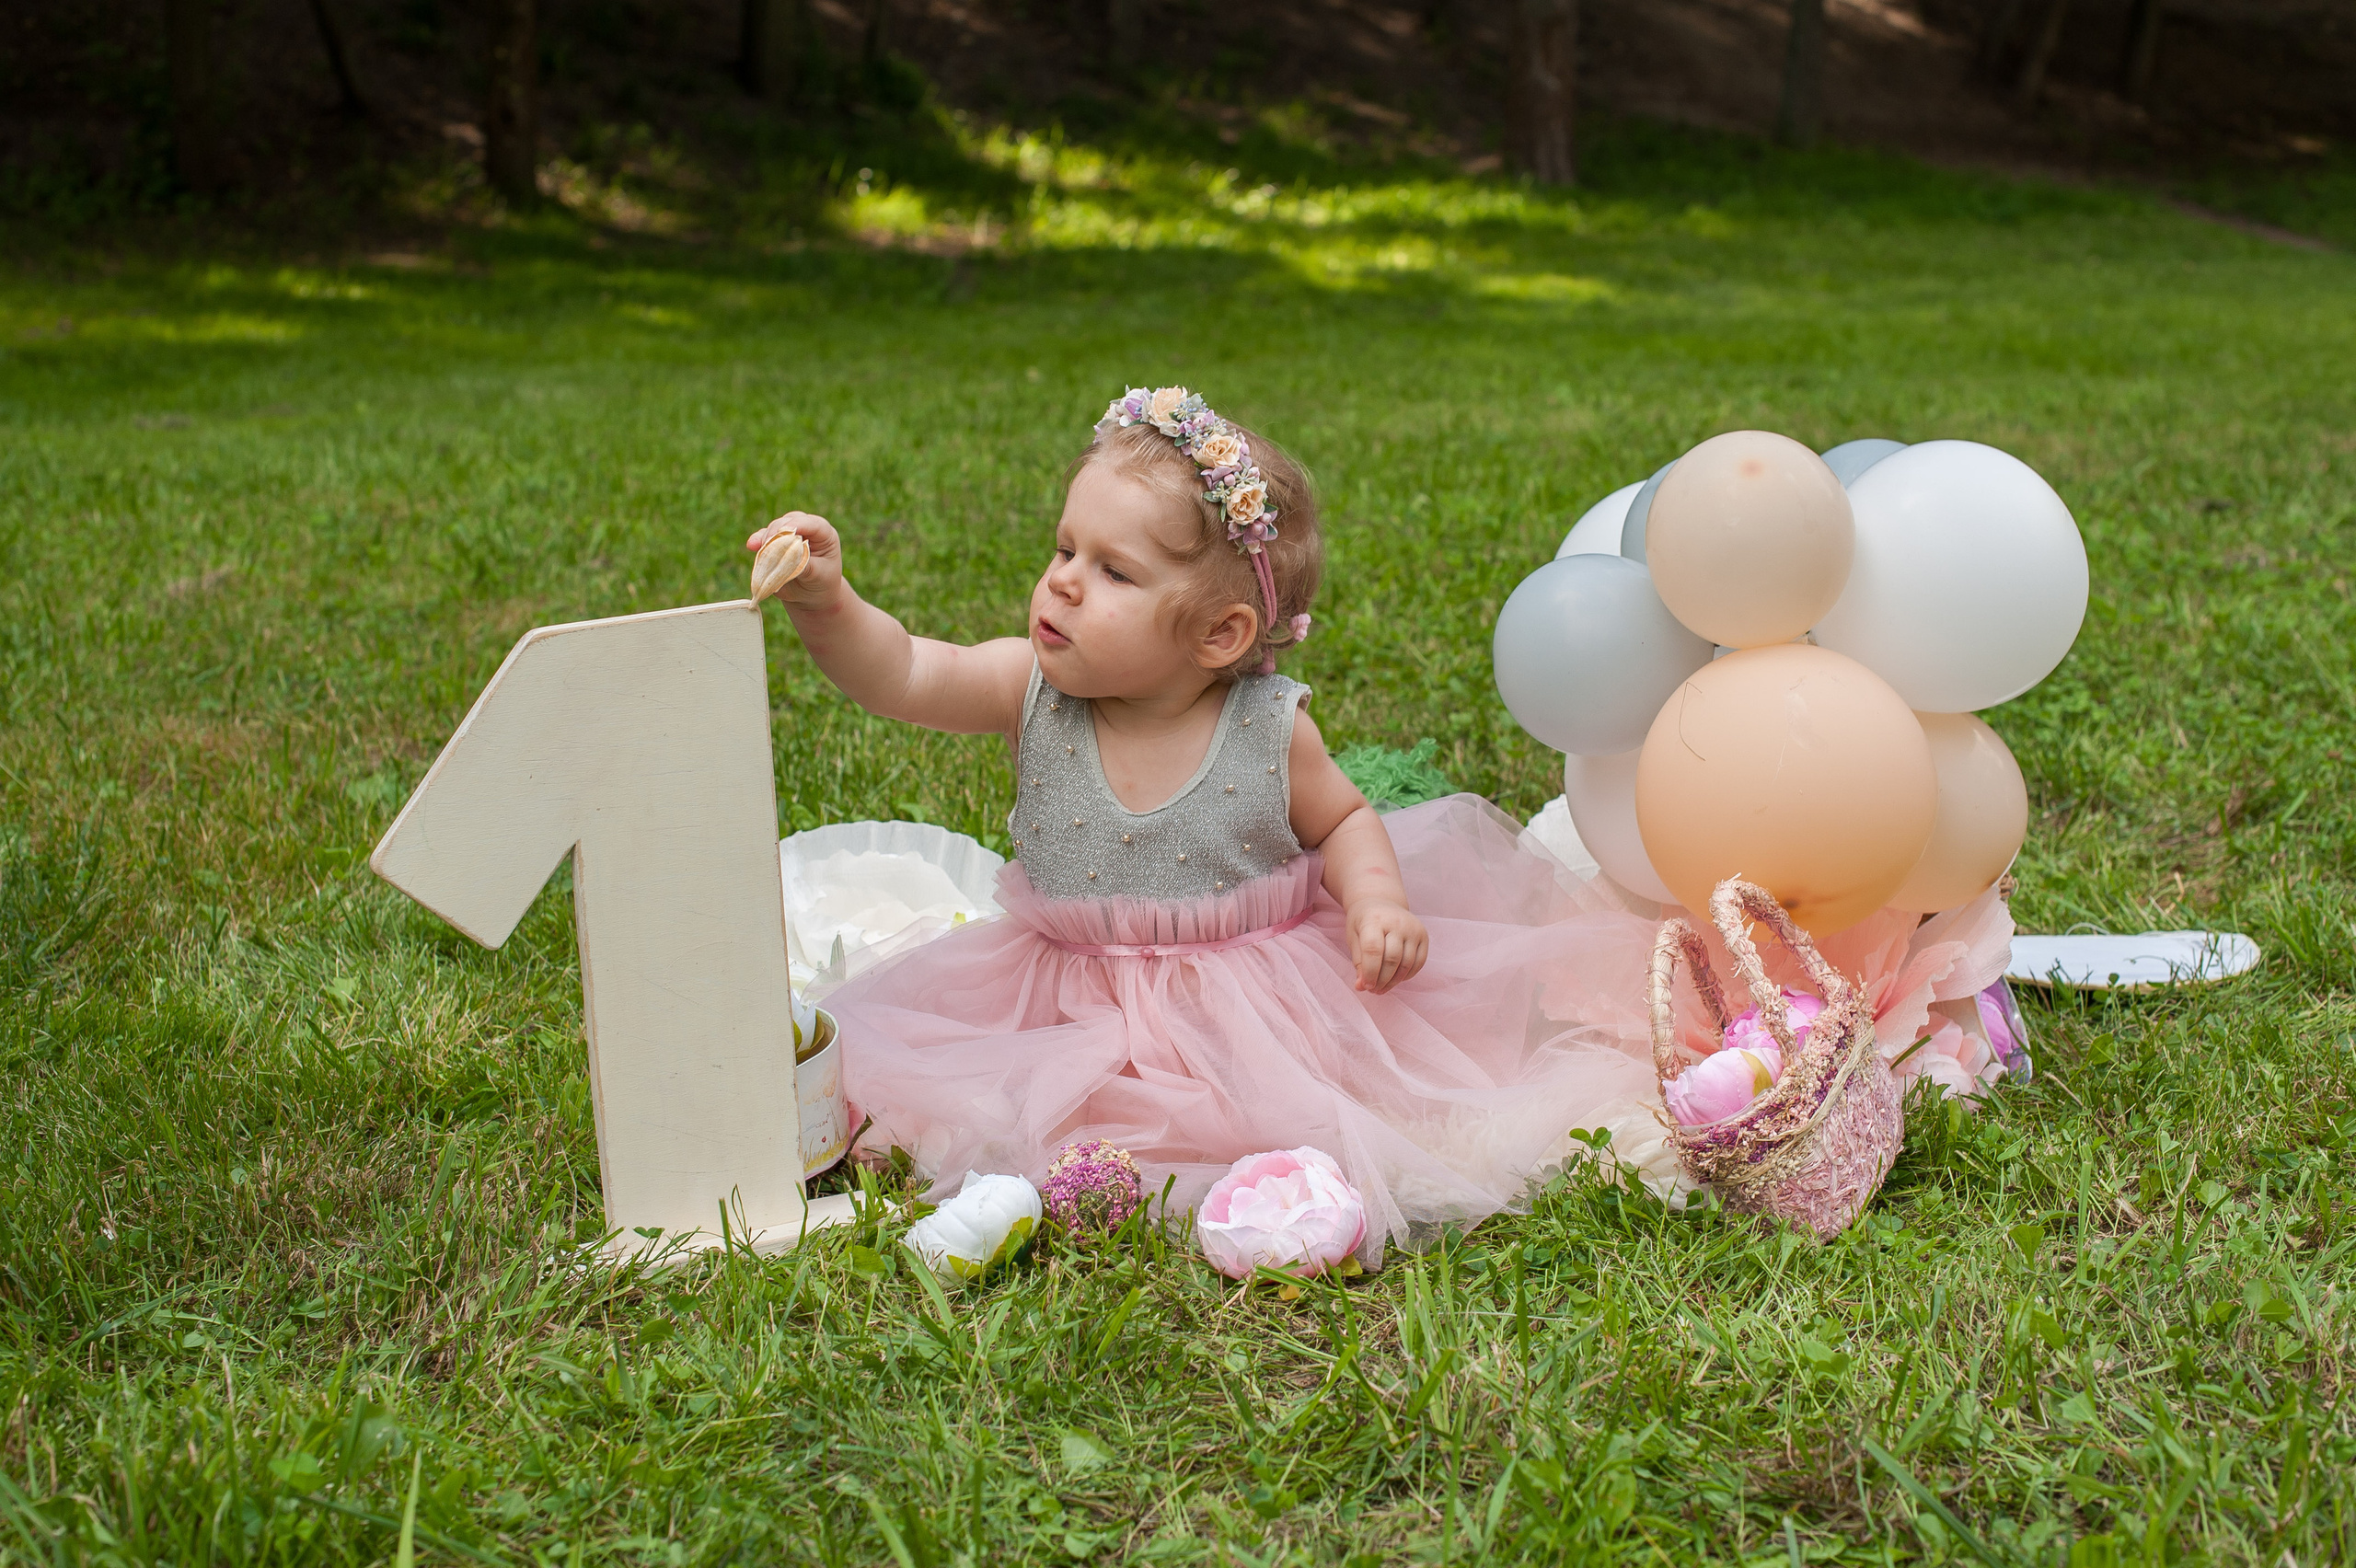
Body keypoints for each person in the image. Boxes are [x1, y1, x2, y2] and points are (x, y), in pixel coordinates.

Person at [748, 386, 1665, 1268]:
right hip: (1060, 996)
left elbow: (1343, 818)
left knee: (1278, 1122)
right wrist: (828, 604)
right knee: (986, 1104)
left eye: (1112, 572)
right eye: (1065, 550)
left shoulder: (1267, 729)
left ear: (1219, 636)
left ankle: (1137, 1176)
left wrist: (1377, 898)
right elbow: (903, 670)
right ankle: (1027, 1177)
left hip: (1244, 1010)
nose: (1062, 584)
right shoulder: (1022, 686)